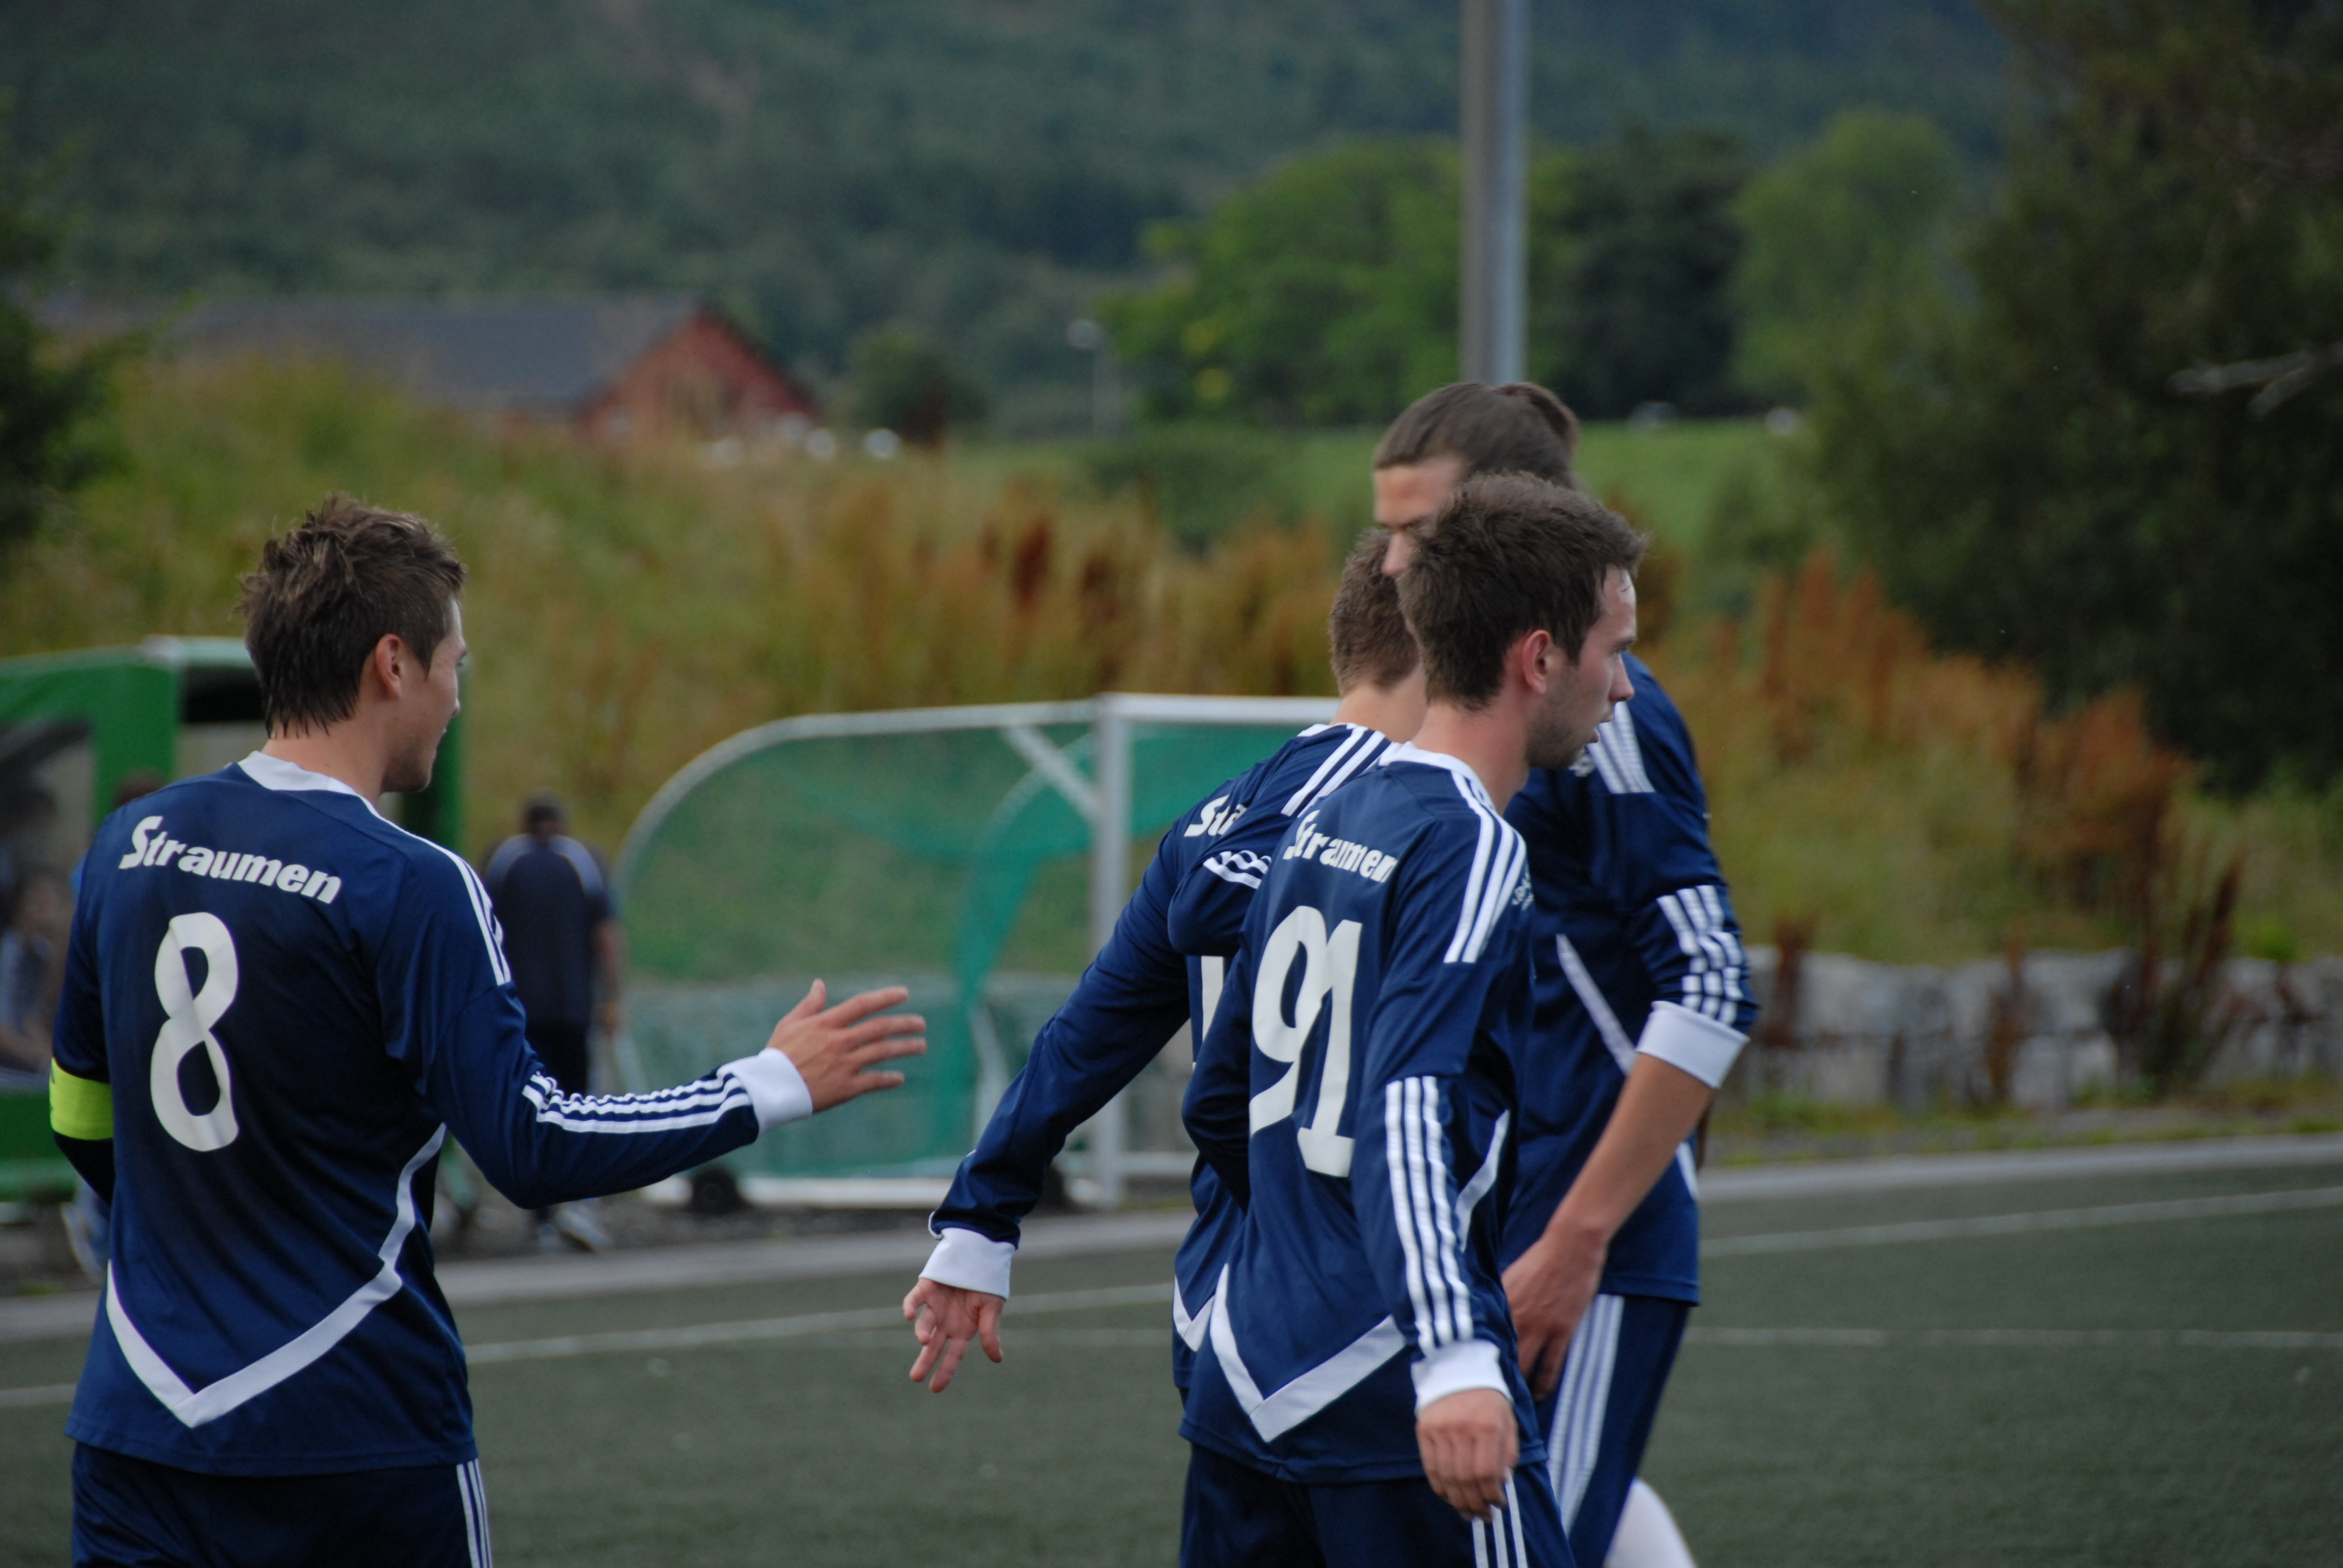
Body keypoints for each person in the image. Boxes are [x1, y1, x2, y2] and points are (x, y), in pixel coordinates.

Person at [47, 497, 926, 1568]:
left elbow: (80, 1116)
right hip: (351, 1424)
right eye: (456, 664)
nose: (457, 697)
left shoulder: (129, 843)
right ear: (393, 664)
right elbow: (532, 1147)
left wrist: (201, 1245)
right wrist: (768, 1081)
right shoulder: (411, 882)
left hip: (138, 1421)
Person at [1180, 474, 1645, 1565]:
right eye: (1614, 651)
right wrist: (1452, 1354)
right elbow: (1406, 1103)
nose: (1625, 687)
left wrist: (1285, 1269)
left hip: (1245, 1380)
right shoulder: (1471, 845)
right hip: (1390, 1386)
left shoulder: (1327, 811)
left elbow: (1220, 1092)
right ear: (1539, 659)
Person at [903, 528, 1425, 1396]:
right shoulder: (1394, 806)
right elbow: (1208, 922)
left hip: (1224, 1309)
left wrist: (979, 1220)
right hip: (1367, 1312)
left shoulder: (1221, 810)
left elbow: (1090, 1034)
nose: (1615, 687)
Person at [1374, 383, 1754, 1568]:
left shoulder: (1604, 716)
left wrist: (1583, 1234)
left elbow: (1709, 980)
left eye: (1420, 530)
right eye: (1384, 531)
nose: (1390, 564)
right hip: (1493, 1221)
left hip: (1584, 1238)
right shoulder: (1451, 717)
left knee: (1521, 1543)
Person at [482, 791, 622, 1251]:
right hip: (572, 1010)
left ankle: (542, 1218)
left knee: (533, 1110)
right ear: (561, 822)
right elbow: (607, 937)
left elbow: (482, 934)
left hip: (520, 1014)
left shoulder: (504, 862)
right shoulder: (582, 861)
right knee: (580, 1105)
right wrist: (612, 1000)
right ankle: (578, 1205)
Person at [0, 864, 70, 1083]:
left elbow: (34, 1022)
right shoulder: (9, 951)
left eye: (53, 905)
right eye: (38, 905)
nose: (47, 915)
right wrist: (42, 1061)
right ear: (19, 909)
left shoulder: (44, 955)